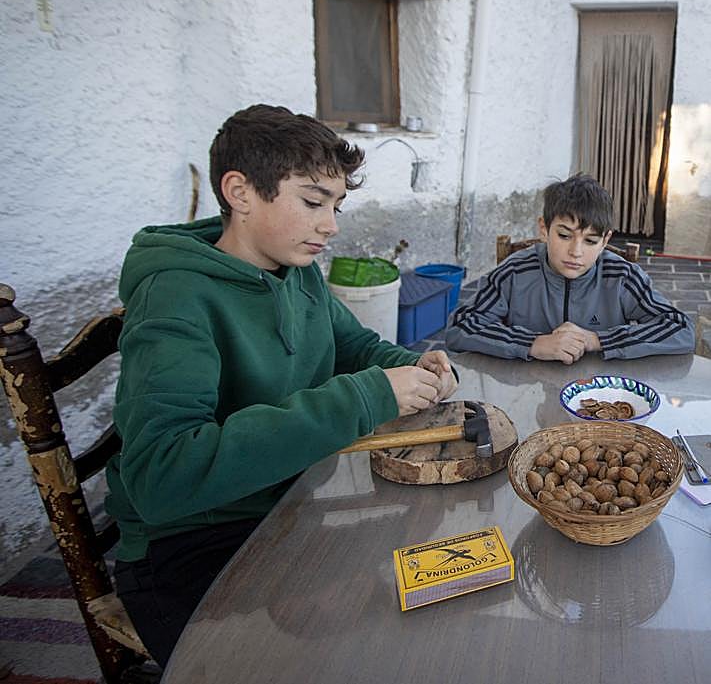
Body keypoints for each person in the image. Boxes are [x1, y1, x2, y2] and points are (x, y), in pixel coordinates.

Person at [106, 104, 458, 668]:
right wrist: (367, 396)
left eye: (336, 205)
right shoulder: (175, 297)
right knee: (325, 659)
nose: (331, 224)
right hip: (191, 541)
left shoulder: (298, 273)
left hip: (287, 504)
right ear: (240, 192)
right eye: (313, 202)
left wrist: (415, 368)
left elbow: (355, 348)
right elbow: (162, 474)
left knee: (426, 597)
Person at [446, 174, 694, 363]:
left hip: (600, 403)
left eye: (590, 241)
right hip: (524, 394)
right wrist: (533, 343)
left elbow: (681, 329)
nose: (576, 252)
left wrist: (596, 340)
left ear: (605, 241)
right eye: (564, 235)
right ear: (544, 229)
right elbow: (461, 326)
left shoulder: (622, 277)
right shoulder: (515, 272)